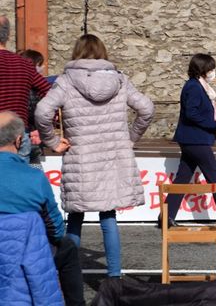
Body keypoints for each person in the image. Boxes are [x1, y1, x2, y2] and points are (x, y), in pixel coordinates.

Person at [35, 34, 155, 278]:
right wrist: (130, 138)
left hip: (81, 159)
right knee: (108, 217)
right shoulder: (120, 80)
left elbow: (42, 111)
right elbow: (147, 109)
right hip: (112, 158)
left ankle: (68, 275)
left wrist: (53, 142)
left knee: (76, 216)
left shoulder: (66, 81)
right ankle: (114, 278)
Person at [0, 111, 85, 305]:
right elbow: (55, 228)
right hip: (22, 250)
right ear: (19, 140)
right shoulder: (34, 178)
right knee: (68, 248)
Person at [164, 53, 216, 229]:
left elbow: (196, 111)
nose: (212, 72)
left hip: (192, 139)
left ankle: (166, 216)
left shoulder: (198, 86)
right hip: (195, 139)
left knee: (182, 178)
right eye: (211, 68)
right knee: (214, 177)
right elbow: (191, 113)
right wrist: (214, 122)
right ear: (203, 69)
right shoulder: (194, 87)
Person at [0, 16, 51, 163]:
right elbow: (50, 93)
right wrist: (43, 126)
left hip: (17, 136)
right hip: (17, 137)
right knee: (17, 183)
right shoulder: (24, 64)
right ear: (8, 35)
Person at [18, 49, 51, 167]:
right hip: (31, 133)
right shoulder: (33, 88)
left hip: (26, 132)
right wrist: (34, 129)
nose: (43, 67)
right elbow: (32, 110)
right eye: (40, 64)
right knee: (33, 164)